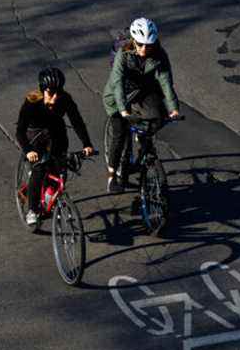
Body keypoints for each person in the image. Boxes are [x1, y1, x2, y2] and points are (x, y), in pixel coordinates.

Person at [102, 17, 180, 193]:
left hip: (143, 91)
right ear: (133, 41)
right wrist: (122, 110)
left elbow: (166, 82)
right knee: (119, 134)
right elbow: (117, 84)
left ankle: (144, 145)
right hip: (118, 97)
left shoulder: (159, 54)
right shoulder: (123, 53)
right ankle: (112, 175)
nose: (145, 49)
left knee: (157, 118)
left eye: (149, 45)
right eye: (140, 44)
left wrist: (173, 108)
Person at [16, 67, 95, 225]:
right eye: (51, 93)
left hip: (56, 134)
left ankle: (51, 197)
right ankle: (33, 209)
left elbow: (76, 121)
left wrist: (87, 144)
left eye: (58, 93)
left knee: (60, 169)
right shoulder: (31, 103)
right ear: (43, 90)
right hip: (35, 137)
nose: (55, 98)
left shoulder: (65, 99)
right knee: (39, 169)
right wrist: (28, 150)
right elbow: (20, 131)